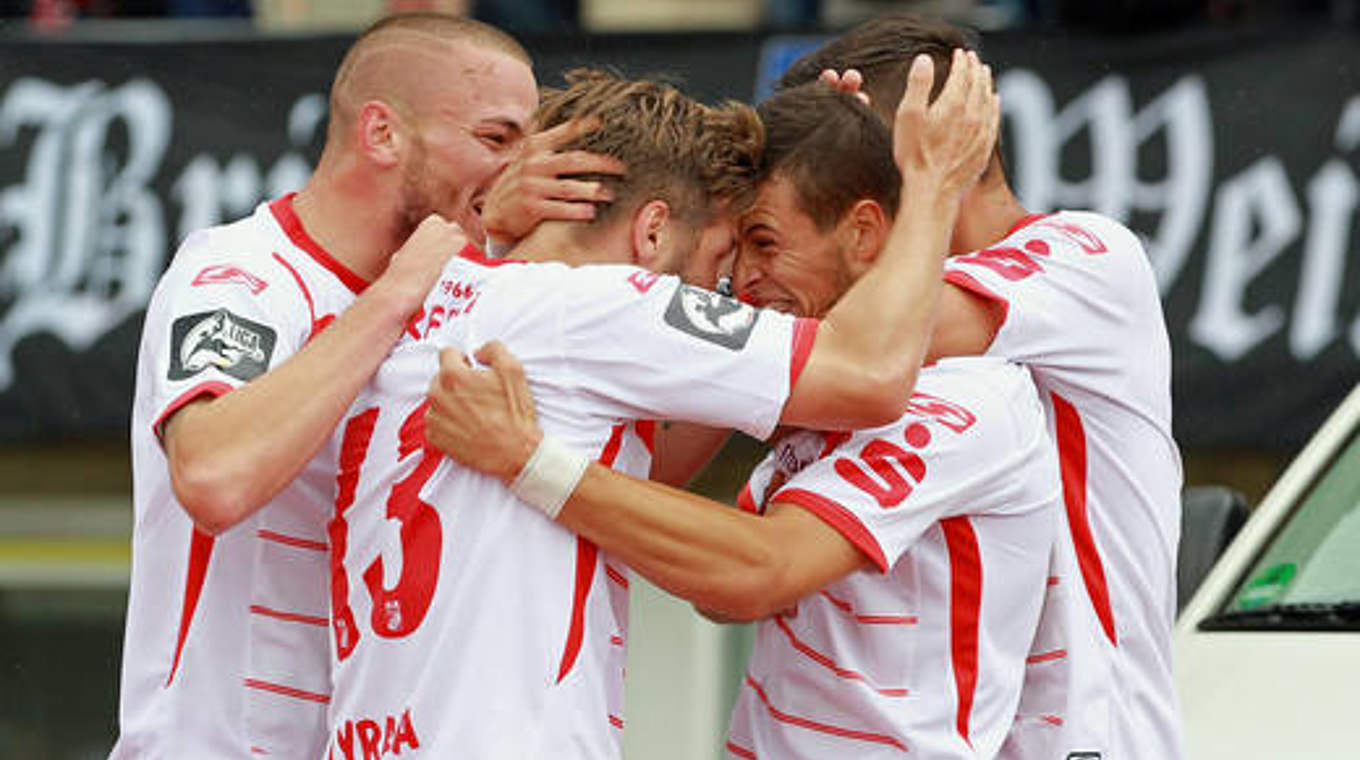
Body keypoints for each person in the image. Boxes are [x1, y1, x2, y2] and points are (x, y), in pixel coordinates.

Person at [326, 60, 997, 759]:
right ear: (651, 233)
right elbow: (872, 377)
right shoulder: (602, 307)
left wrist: (831, 142)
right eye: (720, 262)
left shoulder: (428, 292)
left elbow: (645, 483)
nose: (730, 288)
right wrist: (931, 186)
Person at [112, 12, 620, 759]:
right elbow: (214, 477)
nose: (519, 171)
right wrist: (414, 278)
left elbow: (613, 480)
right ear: (381, 134)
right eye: (494, 140)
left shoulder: (462, 297)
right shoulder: (241, 271)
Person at [777, 14, 1184, 760]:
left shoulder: (1090, 257)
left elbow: (864, 345)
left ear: (935, 146)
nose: (825, 182)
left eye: (841, 159)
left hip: (1092, 740)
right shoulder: (860, 306)